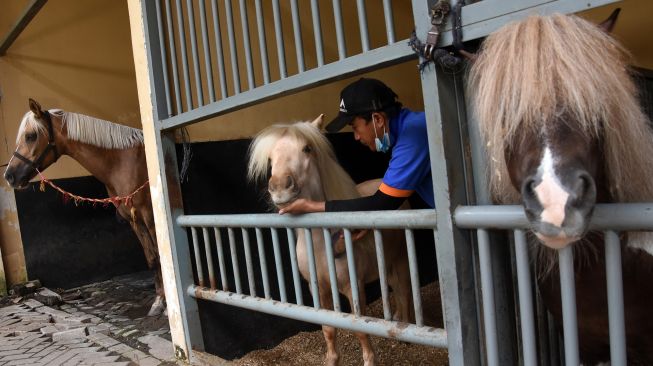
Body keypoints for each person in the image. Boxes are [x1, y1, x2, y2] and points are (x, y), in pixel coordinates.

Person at [279, 77, 434, 214]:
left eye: (355, 127)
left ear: (377, 119)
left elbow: (383, 203)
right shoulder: (409, 127)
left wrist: (311, 206)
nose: (356, 136)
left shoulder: (412, 135)